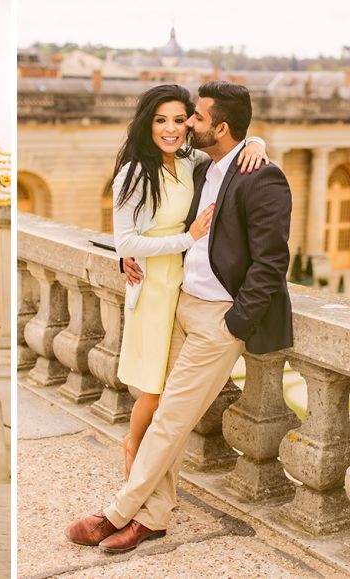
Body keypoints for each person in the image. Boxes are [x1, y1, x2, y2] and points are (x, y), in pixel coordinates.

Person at [67, 80, 293, 553]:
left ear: (221, 127)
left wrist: (236, 321)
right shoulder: (200, 164)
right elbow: (149, 225)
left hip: (218, 318)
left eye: (196, 117)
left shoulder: (262, 175)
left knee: (169, 420)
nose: (188, 123)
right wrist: (129, 257)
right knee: (161, 419)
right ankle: (153, 518)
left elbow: (272, 262)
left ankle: (116, 513)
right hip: (178, 303)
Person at [110, 84, 267, 479]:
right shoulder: (133, 172)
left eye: (181, 120)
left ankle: (147, 467)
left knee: (169, 386)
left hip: (181, 285)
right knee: (155, 387)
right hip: (153, 287)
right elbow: (125, 239)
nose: (172, 129)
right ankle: (133, 450)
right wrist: (188, 238)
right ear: (147, 124)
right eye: (161, 120)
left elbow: (229, 147)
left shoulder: (188, 160)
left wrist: (257, 142)